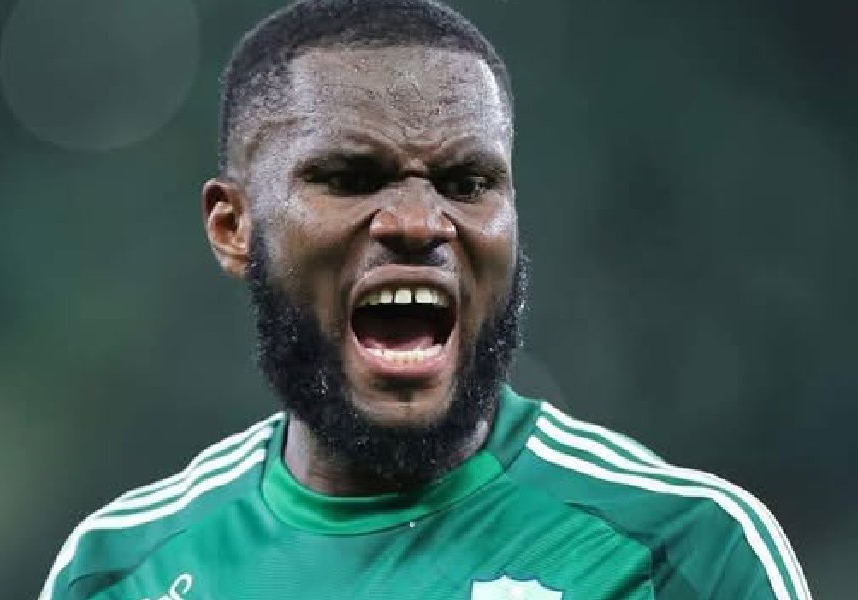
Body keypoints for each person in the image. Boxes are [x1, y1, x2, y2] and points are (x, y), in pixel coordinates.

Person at [39, 1, 812, 598]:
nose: (417, 222)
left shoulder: (686, 553)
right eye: (349, 178)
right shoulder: (117, 571)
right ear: (233, 227)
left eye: (467, 183)